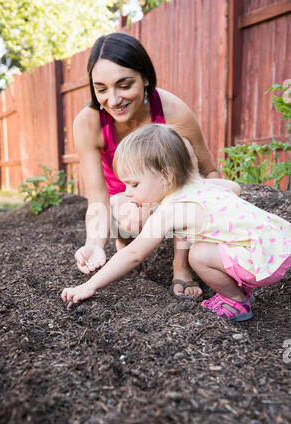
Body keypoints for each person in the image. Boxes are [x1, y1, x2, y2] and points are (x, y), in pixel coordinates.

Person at [62, 124, 291, 321]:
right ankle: (239, 279)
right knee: (209, 246)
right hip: (276, 244)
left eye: (134, 184)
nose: (127, 192)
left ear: (166, 176)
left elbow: (133, 254)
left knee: (199, 254)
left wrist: (89, 285)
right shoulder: (203, 186)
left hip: (259, 262)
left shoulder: (172, 210)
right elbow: (235, 188)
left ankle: (236, 301)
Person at [72, 32, 219, 299]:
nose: (113, 100)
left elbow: (207, 172)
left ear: (146, 78)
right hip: (126, 200)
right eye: (101, 89)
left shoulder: (172, 111)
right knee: (132, 214)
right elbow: (97, 196)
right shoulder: (89, 122)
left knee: (188, 193)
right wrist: (94, 243)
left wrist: (211, 213)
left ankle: (181, 267)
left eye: (124, 85)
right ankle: (125, 245)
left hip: (175, 196)